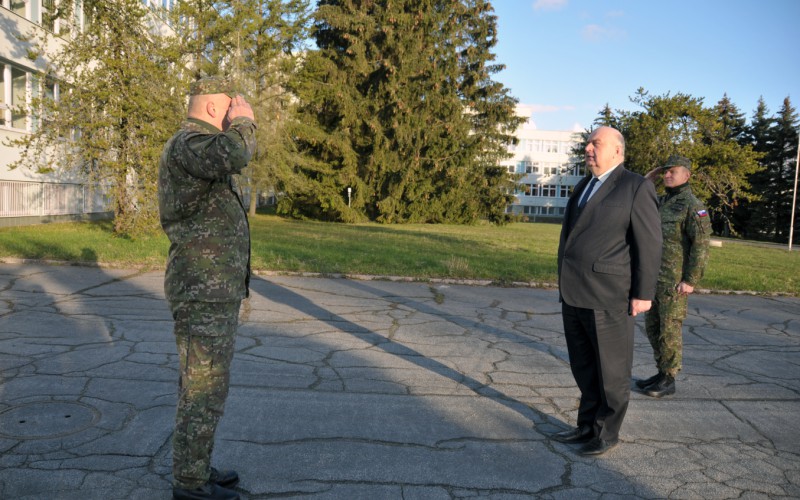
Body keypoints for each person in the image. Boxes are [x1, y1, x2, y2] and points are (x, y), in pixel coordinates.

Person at [158, 75, 257, 500]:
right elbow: (236, 152)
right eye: (230, 109)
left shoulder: (198, 149)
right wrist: (246, 121)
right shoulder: (190, 142)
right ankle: (190, 485)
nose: (234, 116)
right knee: (203, 387)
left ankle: (195, 466)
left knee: (204, 386)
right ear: (216, 109)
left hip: (211, 290)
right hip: (202, 290)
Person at [553, 126, 662, 456]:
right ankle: (586, 426)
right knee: (584, 367)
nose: (588, 148)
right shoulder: (585, 185)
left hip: (609, 295)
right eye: (587, 143)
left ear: (617, 150)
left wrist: (643, 293)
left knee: (611, 372)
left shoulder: (635, 186)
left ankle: (607, 433)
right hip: (574, 292)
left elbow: (650, 242)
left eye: (595, 143)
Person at [637, 155, 711, 398]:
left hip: (674, 281)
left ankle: (669, 379)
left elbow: (701, 245)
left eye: (673, 171)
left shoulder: (693, 206)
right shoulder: (660, 202)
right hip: (653, 278)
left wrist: (690, 280)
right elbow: (637, 195)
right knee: (653, 327)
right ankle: (661, 372)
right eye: (665, 171)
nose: (668, 175)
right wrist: (652, 175)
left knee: (669, 330)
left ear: (687, 175)